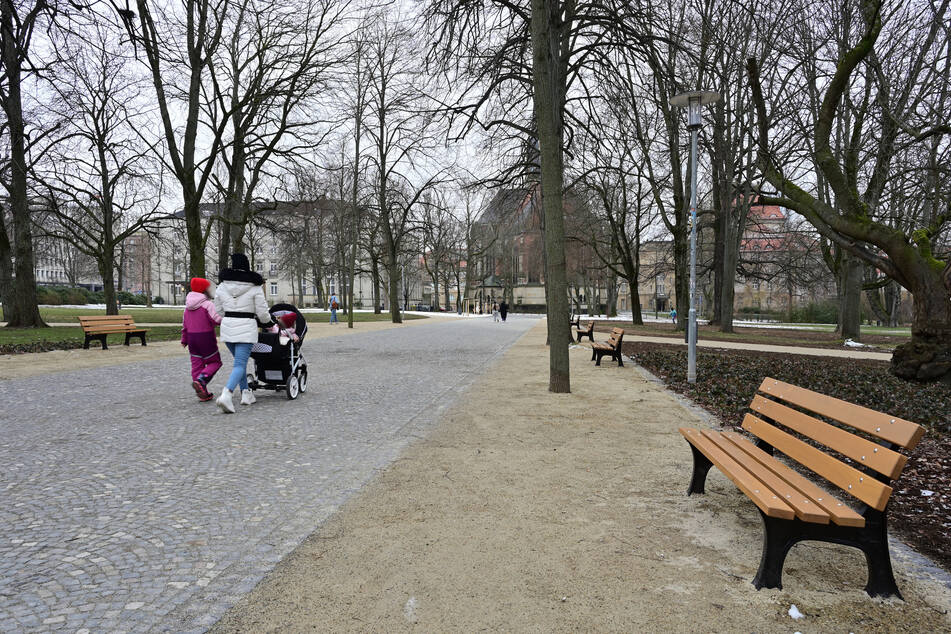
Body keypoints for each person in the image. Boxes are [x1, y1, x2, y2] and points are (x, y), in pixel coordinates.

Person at [214, 253, 273, 414]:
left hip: (228, 327)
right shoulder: (255, 287)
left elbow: (218, 309)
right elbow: (262, 312)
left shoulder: (222, 286)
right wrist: (269, 322)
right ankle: (227, 394)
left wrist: (230, 316)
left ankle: (246, 394)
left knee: (238, 364)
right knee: (240, 364)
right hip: (246, 328)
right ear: (247, 266)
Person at [181, 277, 223, 401]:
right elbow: (216, 319)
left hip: (192, 339)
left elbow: (185, 326)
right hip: (206, 338)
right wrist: (227, 321)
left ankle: (202, 391)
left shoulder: (187, 307)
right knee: (215, 362)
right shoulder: (207, 304)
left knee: (196, 365)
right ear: (204, 290)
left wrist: (184, 340)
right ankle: (202, 379)